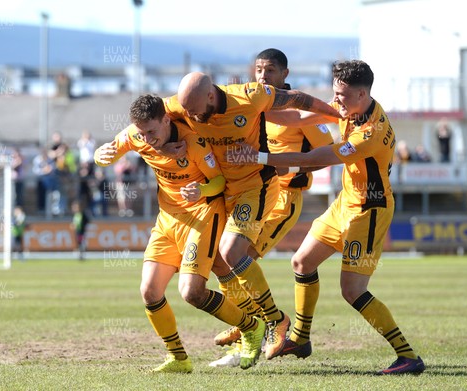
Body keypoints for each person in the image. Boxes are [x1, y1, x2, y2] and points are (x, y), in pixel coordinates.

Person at [227, 60, 425, 375]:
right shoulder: (348, 106)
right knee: (302, 262)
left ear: (363, 94)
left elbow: (314, 157)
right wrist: (253, 110)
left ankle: (408, 356)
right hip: (345, 203)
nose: (337, 100)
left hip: (370, 211)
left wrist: (262, 157)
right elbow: (296, 116)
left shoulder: (371, 132)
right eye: (335, 93)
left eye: (343, 95)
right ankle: (300, 338)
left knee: (352, 291)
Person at [163, 71, 341, 361]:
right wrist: (163, 143)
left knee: (233, 251)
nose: (193, 118)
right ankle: (249, 324)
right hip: (224, 191)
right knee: (222, 262)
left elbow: (297, 101)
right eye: (187, 113)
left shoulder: (250, 96)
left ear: (210, 95)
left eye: (195, 111)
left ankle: (275, 320)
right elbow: (148, 120)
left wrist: (336, 114)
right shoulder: (183, 106)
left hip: (257, 186)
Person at [94, 94, 267, 372]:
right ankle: (178, 358)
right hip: (167, 219)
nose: (147, 139)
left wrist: (201, 190)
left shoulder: (194, 142)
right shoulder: (137, 135)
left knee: (191, 292)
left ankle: (252, 327)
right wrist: (100, 156)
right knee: (149, 291)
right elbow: (108, 152)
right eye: (141, 133)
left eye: (152, 131)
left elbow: (218, 181)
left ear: (165, 120)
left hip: (203, 215)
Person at [209, 48, 334, 368]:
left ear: (285, 75)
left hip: (283, 200)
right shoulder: (255, 105)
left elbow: (328, 155)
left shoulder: (299, 113)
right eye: (259, 70)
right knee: (223, 259)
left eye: (271, 71)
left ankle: (259, 328)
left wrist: (288, 169)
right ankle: (248, 323)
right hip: (250, 193)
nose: (264, 76)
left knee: (239, 257)